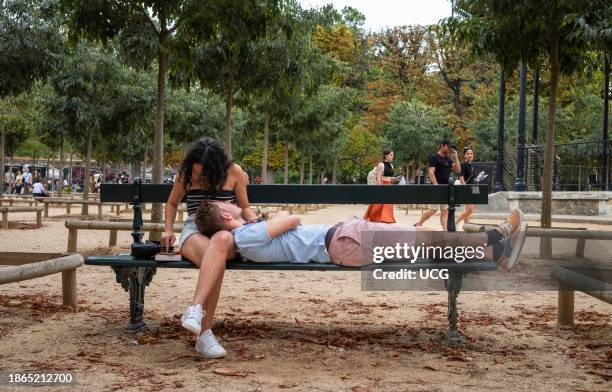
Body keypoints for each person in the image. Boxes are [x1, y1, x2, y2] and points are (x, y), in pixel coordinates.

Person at [196, 200, 526, 272]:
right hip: (343, 241)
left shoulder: (246, 240)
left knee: (423, 245)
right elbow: (292, 218)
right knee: (423, 238)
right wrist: (279, 216)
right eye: (224, 203)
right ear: (226, 215)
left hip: (343, 243)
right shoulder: (246, 236)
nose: (230, 201)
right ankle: (496, 237)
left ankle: (493, 253)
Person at [160, 137, 258, 358]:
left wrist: (254, 221)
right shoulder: (185, 174)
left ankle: (196, 311)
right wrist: (168, 229)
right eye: (194, 172)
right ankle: (205, 335)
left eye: (201, 174)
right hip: (195, 229)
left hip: (226, 230)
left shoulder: (234, 172)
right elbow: (172, 202)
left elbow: (244, 206)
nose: (196, 177)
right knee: (215, 261)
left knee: (221, 241)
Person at [415, 139, 461, 230]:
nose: (449, 149)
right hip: (437, 188)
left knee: (444, 211)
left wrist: (456, 157)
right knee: (432, 210)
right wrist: (436, 186)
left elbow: (458, 170)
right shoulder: (434, 157)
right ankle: (418, 224)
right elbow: (431, 172)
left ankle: (445, 231)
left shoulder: (448, 158)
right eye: (448, 147)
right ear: (442, 145)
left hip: (446, 188)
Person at [364, 149, 400, 223]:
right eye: (391, 155)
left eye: (392, 155)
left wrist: (395, 178)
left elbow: (389, 177)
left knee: (387, 202)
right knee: (379, 202)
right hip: (383, 184)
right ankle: (372, 216)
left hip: (389, 185)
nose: (392, 156)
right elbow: (378, 177)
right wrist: (380, 188)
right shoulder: (381, 165)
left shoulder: (391, 165)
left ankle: (387, 218)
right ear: (386, 155)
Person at [456, 147, 476, 225]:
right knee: (470, 210)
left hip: (472, 189)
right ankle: (455, 224)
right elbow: (461, 178)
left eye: (471, 153)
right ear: (464, 155)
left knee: (469, 210)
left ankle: (466, 226)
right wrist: (465, 190)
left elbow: (471, 179)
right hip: (467, 189)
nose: (470, 155)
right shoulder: (463, 164)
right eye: (468, 154)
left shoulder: (471, 165)